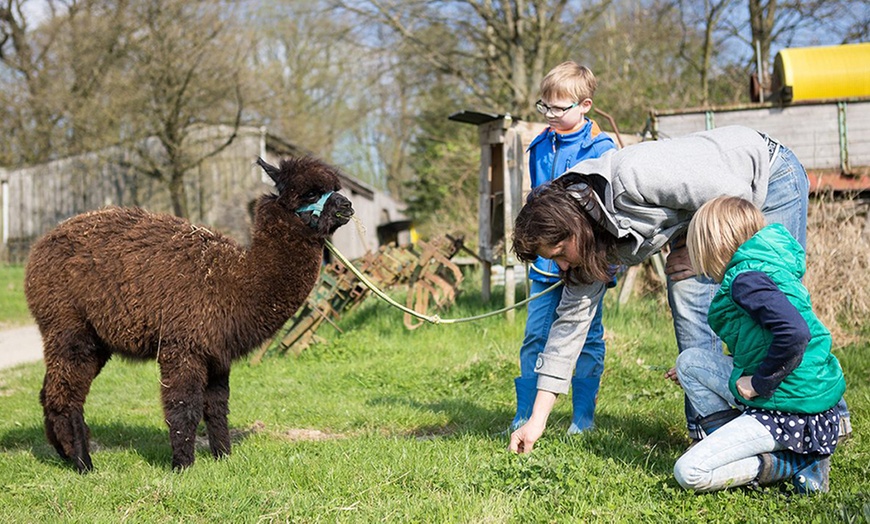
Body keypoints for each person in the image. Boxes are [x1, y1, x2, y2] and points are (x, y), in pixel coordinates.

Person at [506, 125, 851, 454]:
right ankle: (714, 428)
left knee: (769, 299)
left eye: (559, 255)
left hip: (763, 180)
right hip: (707, 216)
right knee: (687, 293)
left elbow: (732, 197)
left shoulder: (631, 177)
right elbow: (569, 329)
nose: (562, 267)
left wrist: (698, 255)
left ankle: (825, 418)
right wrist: (537, 421)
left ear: (573, 230)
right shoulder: (590, 243)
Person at [672, 196, 845, 494]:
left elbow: (795, 334)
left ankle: (791, 462)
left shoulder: (746, 279)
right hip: (794, 394)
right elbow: (764, 339)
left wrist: (760, 383)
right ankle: (734, 440)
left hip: (789, 409)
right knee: (688, 363)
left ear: (713, 245)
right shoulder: (760, 267)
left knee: (689, 471)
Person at [510, 61, 617, 434]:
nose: (551, 115)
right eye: (545, 107)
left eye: (559, 108)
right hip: (546, 267)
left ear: (585, 105)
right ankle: (525, 414)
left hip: (585, 262)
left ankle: (582, 419)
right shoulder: (539, 146)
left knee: (587, 336)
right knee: (536, 335)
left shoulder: (602, 148)